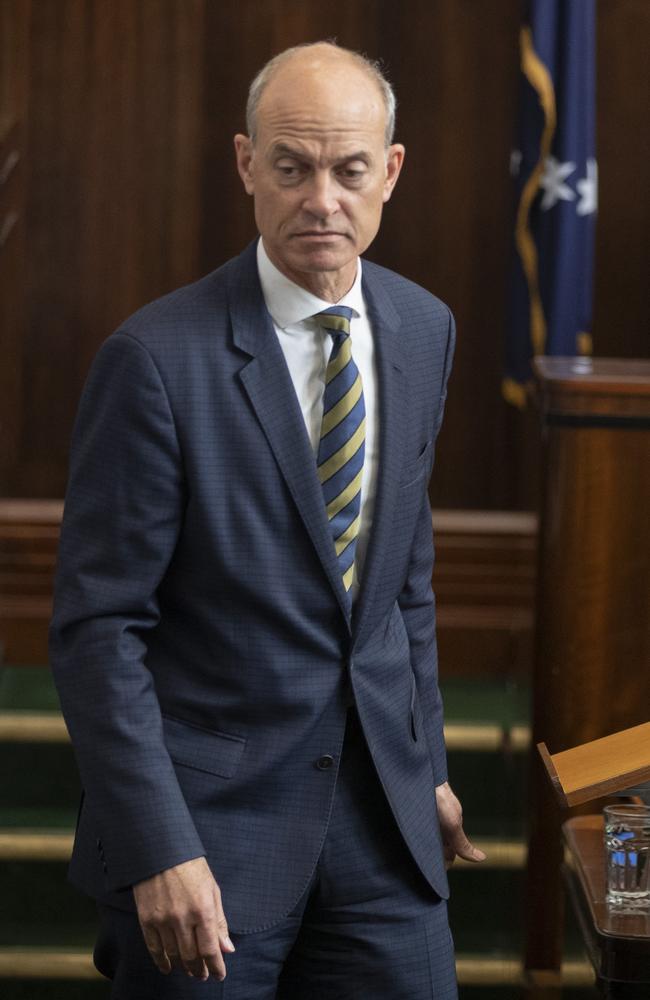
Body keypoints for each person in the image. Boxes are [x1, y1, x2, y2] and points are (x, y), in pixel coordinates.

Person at [50, 40, 485, 999]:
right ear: (247, 164)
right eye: (291, 168)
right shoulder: (154, 360)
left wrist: (431, 771)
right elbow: (98, 631)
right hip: (208, 838)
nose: (320, 199)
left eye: (348, 170)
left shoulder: (425, 329)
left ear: (391, 173)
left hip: (383, 834)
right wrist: (157, 845)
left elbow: (404, 588)